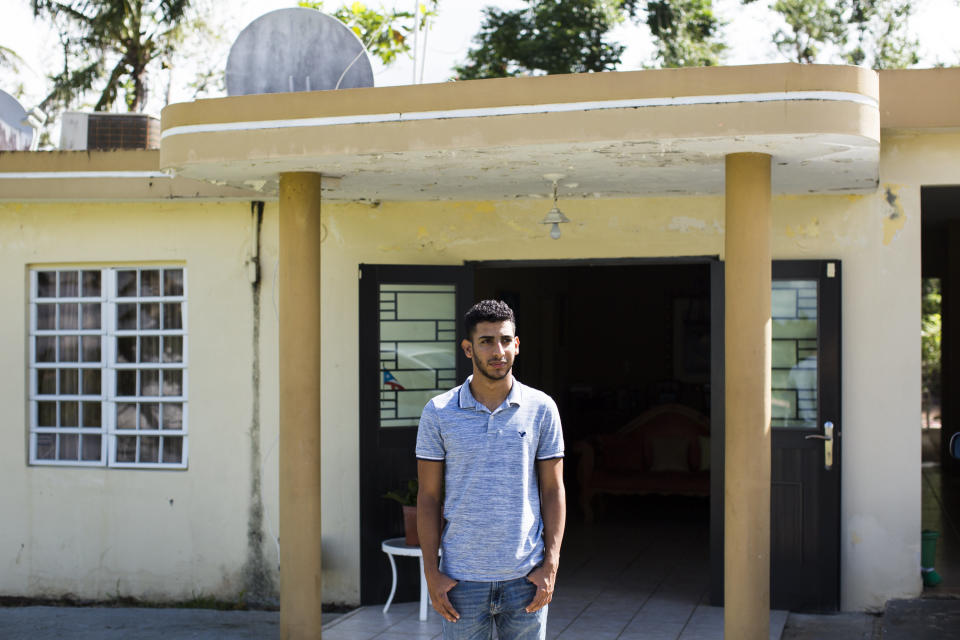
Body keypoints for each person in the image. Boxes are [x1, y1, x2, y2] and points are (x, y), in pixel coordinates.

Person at [415, 299, 566, 640]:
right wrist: (431, 573)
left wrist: (550, 565)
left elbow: (554, 490)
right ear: (468, 349)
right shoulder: (439, 412)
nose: (497, 351)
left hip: (526, 578)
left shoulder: (542, 409)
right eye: (486, 341)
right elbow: (427, 497)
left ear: (516, 344)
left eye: (504, 340)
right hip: (461, 581)